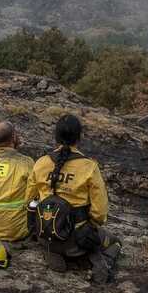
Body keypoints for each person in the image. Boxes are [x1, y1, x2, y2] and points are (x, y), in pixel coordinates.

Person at [28, 114, 120, 283]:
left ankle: (52, 251)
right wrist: (91, 226)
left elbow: (29, 200)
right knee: (115, 242)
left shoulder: (40, 163)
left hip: (46, 233)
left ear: (56, 137)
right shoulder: (89, 167)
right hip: (77, 240)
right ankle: (97, 263)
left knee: (53, 238)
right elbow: (99, 213)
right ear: (79, 137)